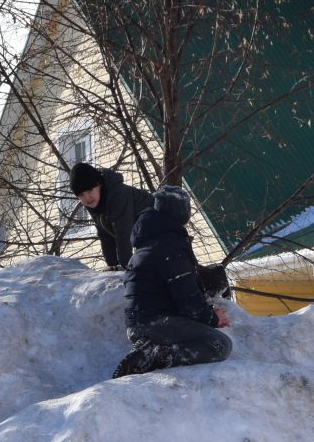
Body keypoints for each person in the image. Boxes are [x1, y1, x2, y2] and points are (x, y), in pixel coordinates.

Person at [112, 185, 232, 378]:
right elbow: (187, 297)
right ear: (181, 212)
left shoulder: (149, 241)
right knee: (219, 345)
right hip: (154, 323)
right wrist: (213, 317)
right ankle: (151, 356)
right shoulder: (170, 245)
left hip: (140, 324)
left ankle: (150, 348)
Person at [70, 161, 155, 271]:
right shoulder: (96, 203)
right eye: (81, 195)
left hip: (158, 229)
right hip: (140, 235)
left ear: (99, 184)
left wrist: (125, 266)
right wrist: (112, 266)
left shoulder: (117, 195)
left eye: (90, 190)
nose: (87, 198)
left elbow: (123, 232)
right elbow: (105, 235)